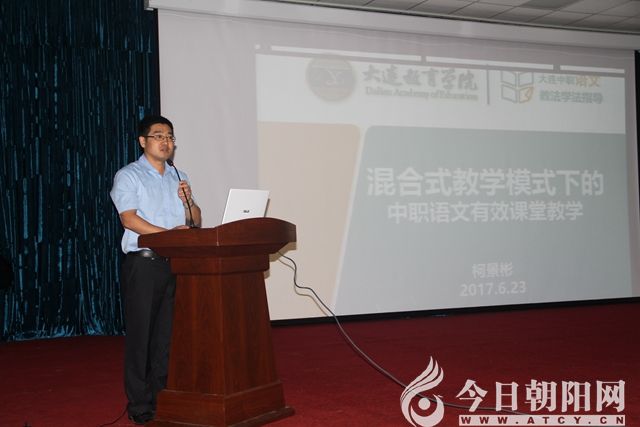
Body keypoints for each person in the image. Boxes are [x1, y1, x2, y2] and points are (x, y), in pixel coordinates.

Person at [110, 115, 201, 424]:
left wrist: (188, 201)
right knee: (142, 338)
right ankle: (139, 405)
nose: (166, 142)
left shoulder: (179, 175)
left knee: (166, 337)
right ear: (143, 141)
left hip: (174, 265)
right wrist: (169, 236)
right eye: (159, 136)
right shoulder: (129, 175)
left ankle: (162, 398)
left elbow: (195, 220)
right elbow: (129, 219)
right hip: (144, 264)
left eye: (170, 137)